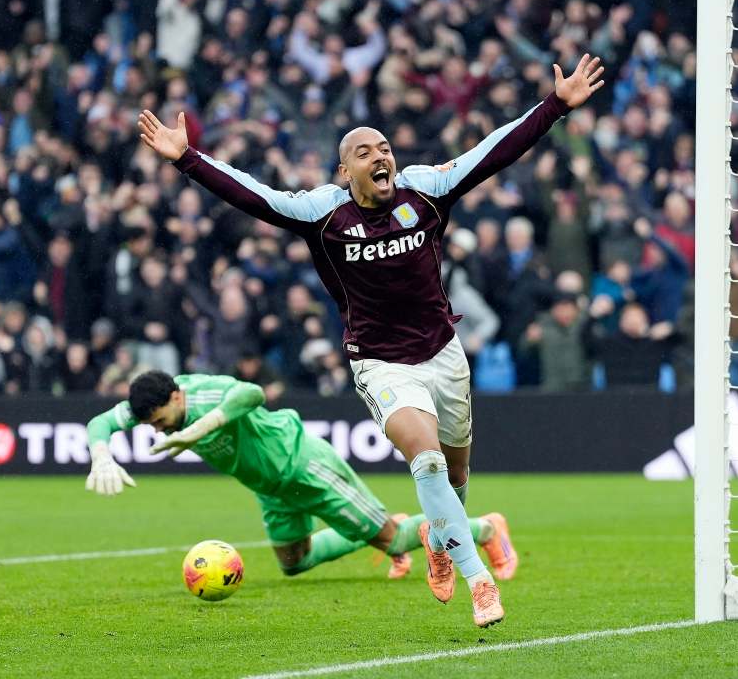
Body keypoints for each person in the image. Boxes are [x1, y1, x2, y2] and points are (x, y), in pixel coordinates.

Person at [137, 53, 605, 627]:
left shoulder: (424, 190)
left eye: (384, 148)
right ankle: (479, 583)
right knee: (427, 464)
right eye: (364, 152)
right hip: (381, 364)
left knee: (456, 478)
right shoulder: (323, 213)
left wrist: (555, 106)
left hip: (443, 354)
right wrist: (187, 159)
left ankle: (439, 539)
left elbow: (493, 152)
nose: (380, 156)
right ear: (345, 171)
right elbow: (255, 195)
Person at [85, 371, 517, 585]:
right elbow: (101, 423)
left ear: (177, 397)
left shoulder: (203, 394)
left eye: (161, 421)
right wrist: (100, 455)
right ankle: (381, 527)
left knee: (396, 541)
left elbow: (252, 393)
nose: (158, 430)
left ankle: (486, 528)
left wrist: (202, 427)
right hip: (269, 487)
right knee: (294, 563)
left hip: (304, 464)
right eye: (152, 425)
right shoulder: (151, 401)